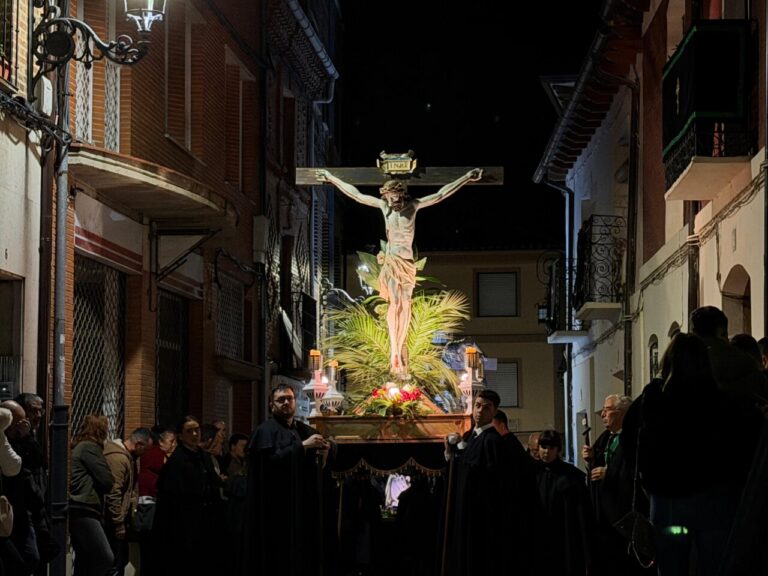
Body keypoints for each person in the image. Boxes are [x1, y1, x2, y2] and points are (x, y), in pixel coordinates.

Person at [316, 167, 483, 375]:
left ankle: (399, 347)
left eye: (395, 196)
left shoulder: (413, 206)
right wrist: (331, 178)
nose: (392, 201)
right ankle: (394, 351)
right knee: (395, 304)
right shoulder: (384, 208)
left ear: (401, 194)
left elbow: (441, 194)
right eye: (388, 197)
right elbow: (356, 195)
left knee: (406, 304)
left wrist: (465, 178)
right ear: (385, 196)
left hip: (407, 263)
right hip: (393, 262)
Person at [621, 332, 762, 576]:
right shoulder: (723, 401)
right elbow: (747, 443)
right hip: (715, 502)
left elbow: (629, 442)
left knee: (671, 567)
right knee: (714, 566)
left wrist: (648, 478)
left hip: (667, 504)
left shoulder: (652, 400)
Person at [246, 383, 333, 576]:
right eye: (280, 400)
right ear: (271, 405)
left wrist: (326, 447)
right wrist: (302, 447)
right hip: (276, 508)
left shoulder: (301, 428)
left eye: (289, 399)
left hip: (300, 503)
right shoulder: (265, 431)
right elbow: (270, 464)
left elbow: (324, 440)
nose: (286, 402)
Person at [444, 389, 528, 575]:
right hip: (465, 511)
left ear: (494, 412)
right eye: (478, 405)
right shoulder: (470, 436)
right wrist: (453, 451)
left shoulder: (492, 441)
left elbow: (494, 481)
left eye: (487, 407)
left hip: (480, 516)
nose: (480, 411)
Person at [582, 394, 650, 575]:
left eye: (607, 410)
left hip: (624, 516)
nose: (603, 414)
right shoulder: (605, 438)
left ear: (622, 413)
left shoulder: (634, 439)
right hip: (603, 516)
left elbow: (636, 472)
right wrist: (591, 458)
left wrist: (609, 473)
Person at [153, 416, 220, 576]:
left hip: (206, 521)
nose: (195, 434)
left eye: (197, 430)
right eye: (189, 431)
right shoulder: (177, 461)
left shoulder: (204, 457)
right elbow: (171, 497)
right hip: (184, 526)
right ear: (181, 436)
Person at [535, 429, 593, 576]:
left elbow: (582, 514)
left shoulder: (571, 476)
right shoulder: (532, 473)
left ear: (558, 450)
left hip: (565, 537)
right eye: (543, 447)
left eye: (551, 448)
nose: (546, 452)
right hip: (539, 536)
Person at [69, 415, 115, 576]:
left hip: (77, 507)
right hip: (85, 507)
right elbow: (107, 480)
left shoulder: (79, 446)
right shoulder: (90, 447)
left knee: (84, 559)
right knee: (105, 558)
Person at [103, 427, 150, 576]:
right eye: (145, 450)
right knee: (115, 562)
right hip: (112, 520)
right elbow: (113, 493)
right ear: (139, 444)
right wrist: (118, 523)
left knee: (121, 559)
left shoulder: (128, 458)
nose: (145, 454)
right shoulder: (119, 459)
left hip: (119, 519)